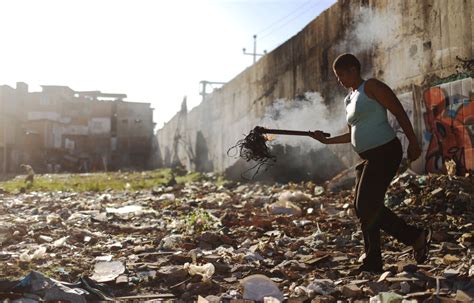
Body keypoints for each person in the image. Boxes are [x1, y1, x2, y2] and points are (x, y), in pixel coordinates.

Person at [310, 53, 431, 273]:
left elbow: (399, 112)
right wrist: (326, 140)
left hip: (386, 151)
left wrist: (413, 143)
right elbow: (351, 134)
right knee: (362, 207)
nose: (339, 81)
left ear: (353, 70)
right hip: (369, 157)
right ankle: (374, 260)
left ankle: (414, 237)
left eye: (341, 75)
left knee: (366, 205)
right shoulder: (349, 99)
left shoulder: (372, 87)